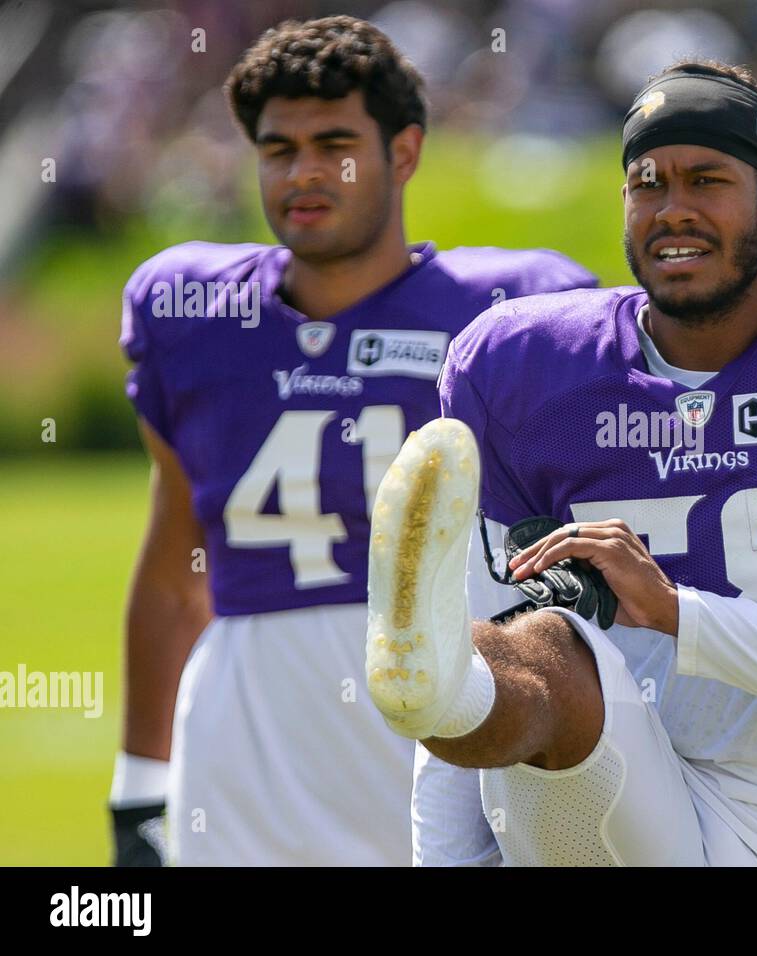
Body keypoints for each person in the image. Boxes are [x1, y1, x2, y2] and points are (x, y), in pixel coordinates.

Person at [368, 59, 757, 866]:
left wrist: (677, 612)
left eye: (706, 180)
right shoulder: (524, 374)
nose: (674, 210)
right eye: (648, 183)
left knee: (537, 655)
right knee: (530, 653)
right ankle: (434, 686)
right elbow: (486, 645)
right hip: (617, 797)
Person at [110, 15, 596, 866]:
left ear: (403, 153)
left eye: (333, 144)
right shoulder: (193, 311)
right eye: (276, 148)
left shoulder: (511, 312)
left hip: (448, 698)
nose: (302, 173)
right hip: (247, 736)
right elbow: (172, 568)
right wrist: (138, 786)